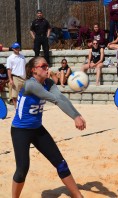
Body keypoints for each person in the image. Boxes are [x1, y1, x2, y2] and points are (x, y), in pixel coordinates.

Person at [10, 56, 85, 198]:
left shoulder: (48, 82)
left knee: (61, 163)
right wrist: (74, 117)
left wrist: (77, 114)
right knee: (22, 169)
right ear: (34, 70)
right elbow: (55, 99)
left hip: (37, 129)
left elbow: (61, 98)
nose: (47, 68)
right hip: (20, 131)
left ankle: (77, 196)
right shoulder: (31, 85)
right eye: (43, 66)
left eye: (47, 66)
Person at [6, 42, 26, 108]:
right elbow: (9, 70)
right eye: (16, 48)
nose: (17, 49)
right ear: (13, 49)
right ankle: (16, 108)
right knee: (15, 95)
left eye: (18, 47)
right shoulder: (10, 58)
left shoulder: (22, 56)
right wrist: (10, 79)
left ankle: (23, 108)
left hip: (23, 77)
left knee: (25, 94)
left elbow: (24, 67)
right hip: (16, 77)